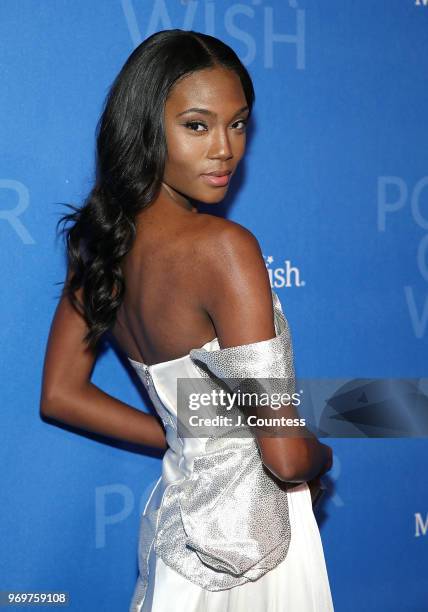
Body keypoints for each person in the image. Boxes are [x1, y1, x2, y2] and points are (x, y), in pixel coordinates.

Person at [40, 29, 334, 611]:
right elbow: (284, 456)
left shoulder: (103, 244)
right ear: (148, 127)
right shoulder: (223, 248)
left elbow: (59, 395)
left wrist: (191, 437)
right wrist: (321, 453)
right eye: (197, 125)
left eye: (239, 123)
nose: (225, 148)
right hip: (257, 546)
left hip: (182, 531)